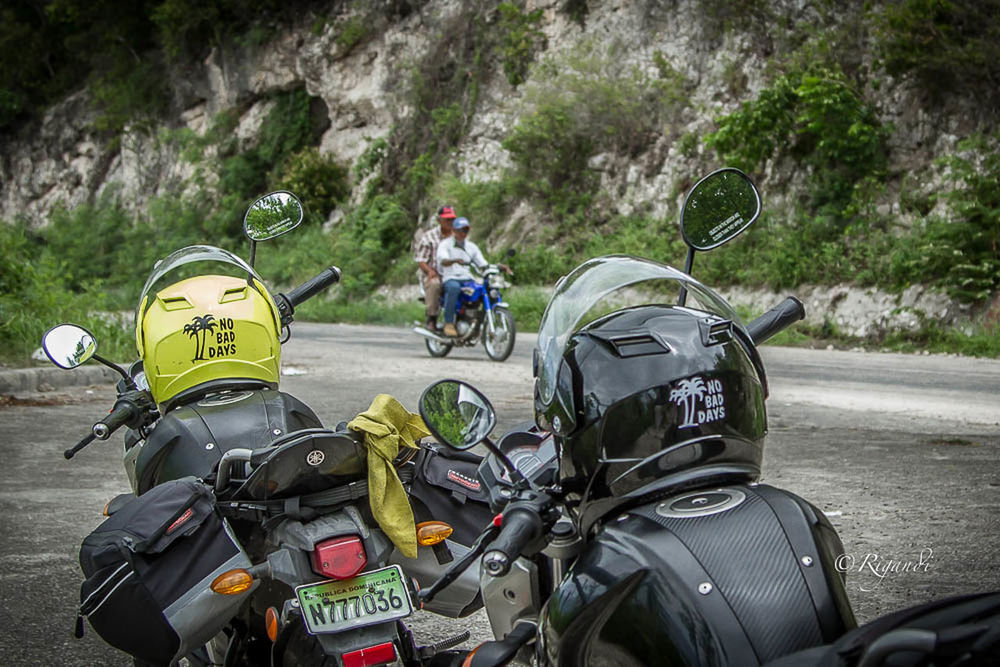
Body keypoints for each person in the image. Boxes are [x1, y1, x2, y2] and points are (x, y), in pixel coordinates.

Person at [436, 217, 511, 337]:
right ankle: (448, 323)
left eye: (466, 230)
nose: (463, 233)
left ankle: (478, 320)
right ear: (454, 230)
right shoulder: (445, 245)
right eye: (461, 230)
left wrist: (497, 266)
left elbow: (482, 264)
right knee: (454, 288)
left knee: (483, 289)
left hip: (467, 278)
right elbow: (442, 259)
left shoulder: (471, 247)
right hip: (451, 277)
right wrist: (453, 260)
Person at [414, 205, 456, 330]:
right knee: (434, 284)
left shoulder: (458, 235)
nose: (450, 222)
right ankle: (431, 318)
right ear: (439, 220)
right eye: (447, 219)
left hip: (454, 274)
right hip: (434, 273)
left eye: (452, 219)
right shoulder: (429, 237)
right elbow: (421, 260)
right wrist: (429, 271)